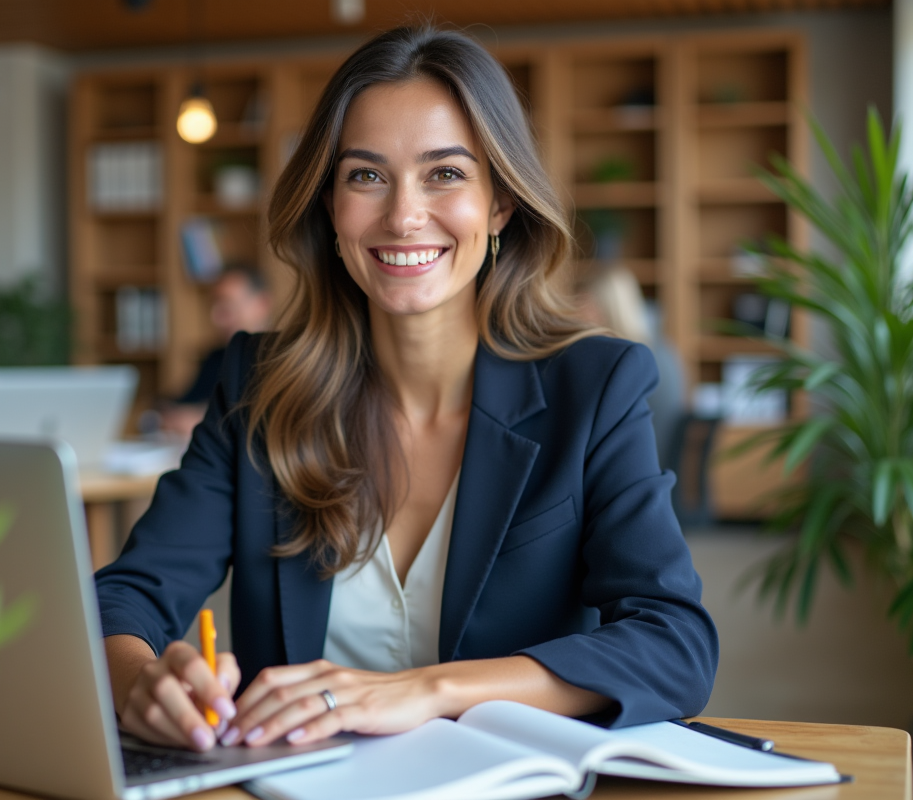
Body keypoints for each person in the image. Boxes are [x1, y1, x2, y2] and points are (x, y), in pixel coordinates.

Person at [96, 26, 717, 755]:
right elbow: (122, 598)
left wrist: (431, 689)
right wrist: (142, 680)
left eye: (445, 174)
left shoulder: (595, 386)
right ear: (329, 206)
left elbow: (674, 644)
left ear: (500, 206)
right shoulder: (258, 386)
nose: (402, 215)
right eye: (365, 176)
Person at [576, 264, 686, 470]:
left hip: (640, 467)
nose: (577, 317)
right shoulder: (660, 350)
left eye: (585, 305)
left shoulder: (627, 363)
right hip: (656, 464)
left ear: (605, 308)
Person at [159, 267, 273, 438]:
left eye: (227, 306)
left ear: (261, 304)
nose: (215, 317)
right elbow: (178, 405)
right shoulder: (217, 357)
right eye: (213, 306)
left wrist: (207, 418)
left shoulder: (283, 360)